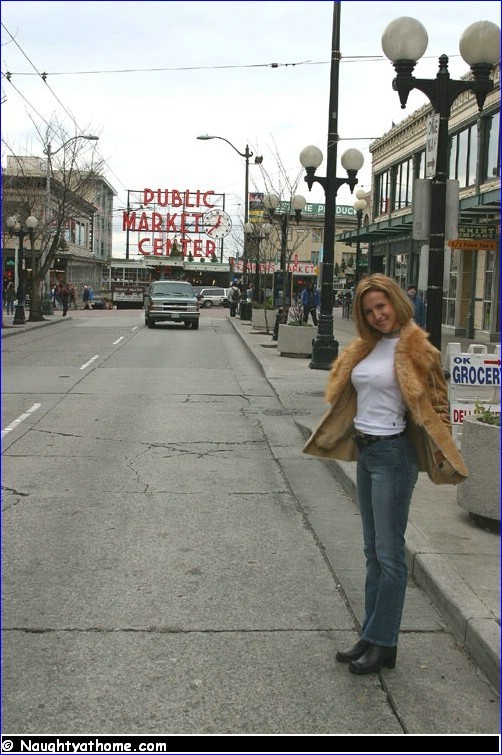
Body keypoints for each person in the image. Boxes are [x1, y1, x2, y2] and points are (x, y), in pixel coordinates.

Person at [303, 274, 468, 676]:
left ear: (395, 301)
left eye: (382, 306)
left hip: (395, 456)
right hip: (367, 451)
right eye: (369, 310)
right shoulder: (367, 347)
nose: (378, 315)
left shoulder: (418, 349)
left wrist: (443, 448)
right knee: (371, 552)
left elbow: (438, 403)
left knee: (390, 555)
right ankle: (373, 634)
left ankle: (383, 642)